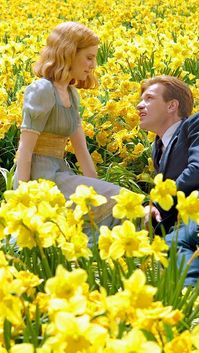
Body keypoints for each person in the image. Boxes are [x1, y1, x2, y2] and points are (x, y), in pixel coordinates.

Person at [137, 75, 199, 299]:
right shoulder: (157, 148)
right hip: (189, 209)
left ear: (172, 105)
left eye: (149, 98)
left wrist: (159, 203)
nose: (139, 105)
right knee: (170, 244)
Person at [14, 22, 120, 230]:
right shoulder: (42, 90)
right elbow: (25, 149)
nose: (93, 65)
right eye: (89, 57)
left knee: (118, 202)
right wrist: (22, 198)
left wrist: (97, 189)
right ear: (68, 53)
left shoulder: (71, 93)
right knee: (120, 199)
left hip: (61, 173)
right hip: (42, 180)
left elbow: (81, 149)